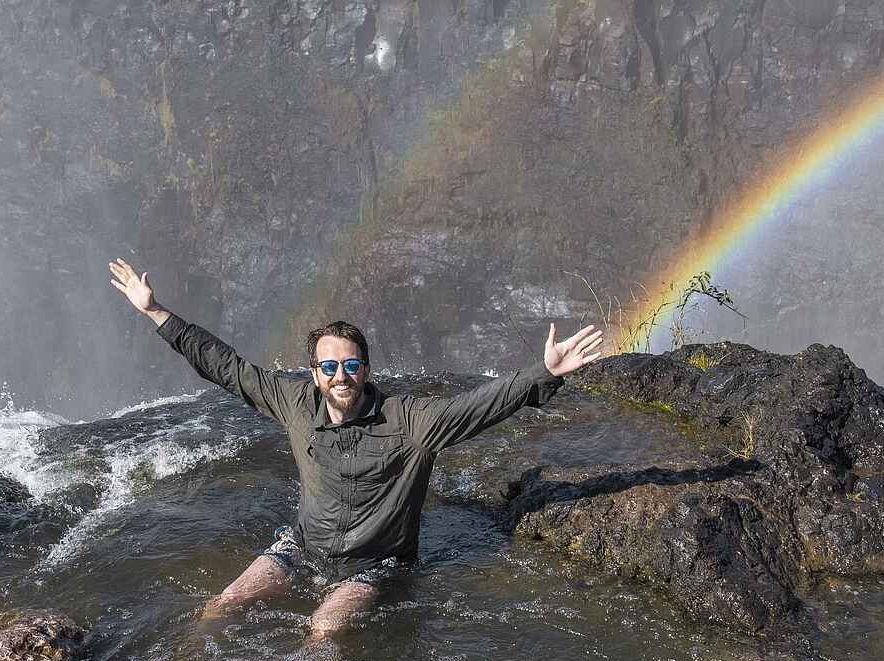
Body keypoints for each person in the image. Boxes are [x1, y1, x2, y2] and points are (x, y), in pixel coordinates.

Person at [107, 258, 604, 637]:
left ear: (365, 369)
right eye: (329, 367)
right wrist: (156, 312)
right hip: (303, 548)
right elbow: (228, 368)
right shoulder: (294, 403)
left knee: (322, 630)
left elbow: (477, 406)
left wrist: (545, 372)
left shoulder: (409, 421)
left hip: (374, 566)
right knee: (222, 606)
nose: (340, 376)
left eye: (350, 365)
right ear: (314, 373)